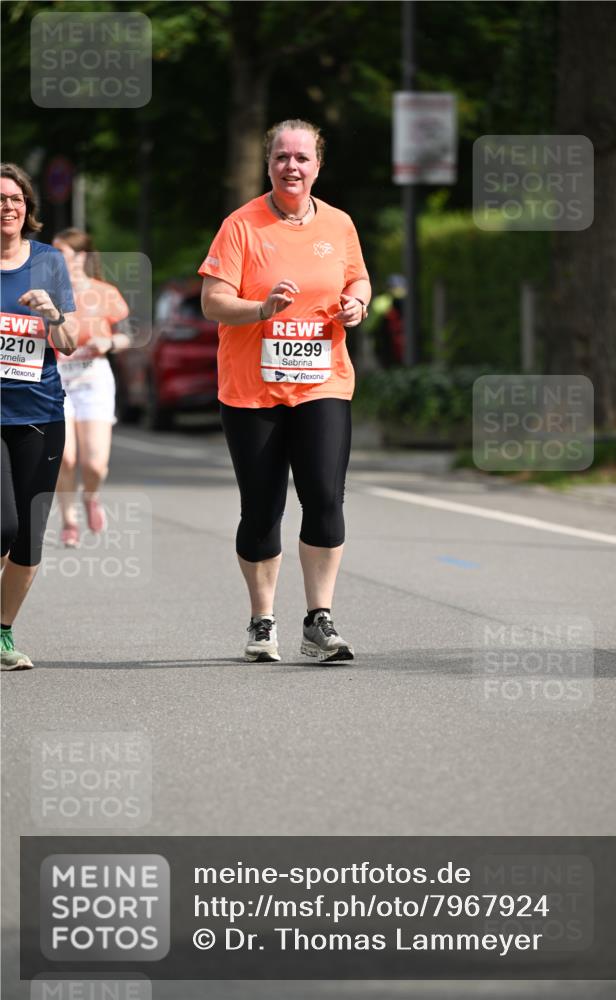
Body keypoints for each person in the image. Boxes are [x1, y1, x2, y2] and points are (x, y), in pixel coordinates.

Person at [199, 119, 371, 664]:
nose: (291, 167)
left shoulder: (340, 224)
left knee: (323, 497)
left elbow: (358, 279)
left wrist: (357, 305)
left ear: (318, 165)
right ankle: (262, 618)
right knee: (262, 509)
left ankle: (319, 620)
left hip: (323, 382)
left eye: (301, 158)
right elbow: (212, 301)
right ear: (268, 164)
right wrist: (261, 309)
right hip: (252, 391)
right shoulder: (241, 226)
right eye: (281, 157)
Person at [1, 163, 77, 669]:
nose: (7, 207)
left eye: (15, 199)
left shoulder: (49, 262)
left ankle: (2, 634)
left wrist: (52, 314)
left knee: (28, 537)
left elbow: (69, 344)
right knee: (2, 527)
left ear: (27, 208)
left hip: (41, 414)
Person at [51, 229, 131, 547]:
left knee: (94, 463)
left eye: (63, 254)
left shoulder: (105, 292)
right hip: (57, 380)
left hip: (94, 380)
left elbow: (128, 335)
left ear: (81, 257)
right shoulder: (48, 293)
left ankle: (91, 495)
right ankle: (69, 520)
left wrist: (109, 342)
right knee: (66, 458)